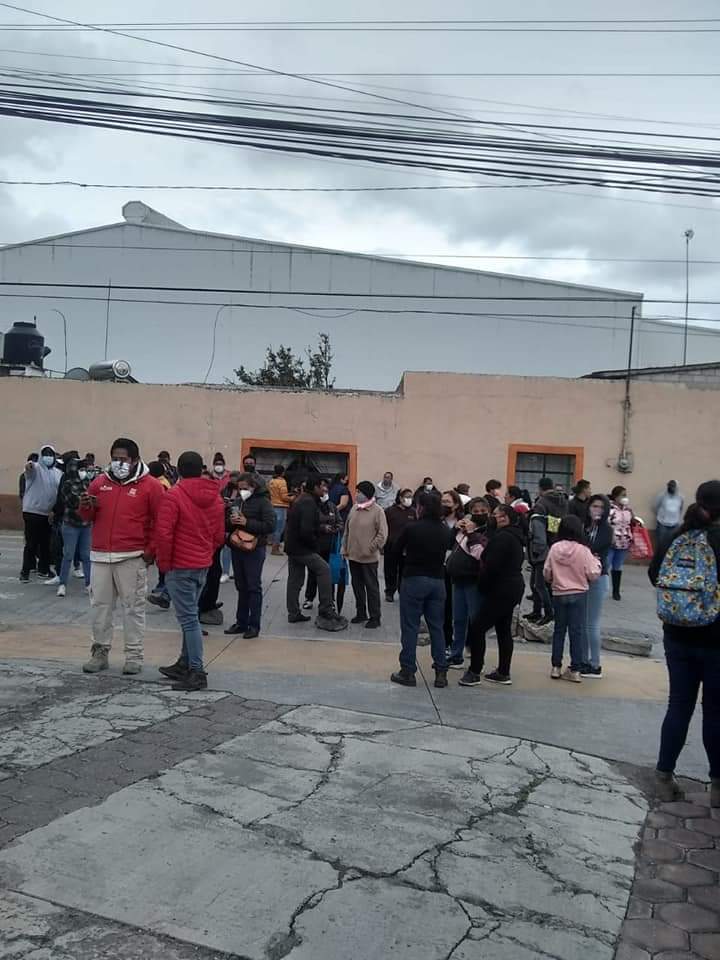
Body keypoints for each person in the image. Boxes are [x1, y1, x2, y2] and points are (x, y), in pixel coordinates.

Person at [649, 481, 720, 806]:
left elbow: (654, 574)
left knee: (679, 705)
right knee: (715, 711)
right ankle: (717, 785)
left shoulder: (679, 535)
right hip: (716, 636)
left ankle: (663, 776)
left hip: (676, 634)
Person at [80, 438, 164, 674]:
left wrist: (150, 551)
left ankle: (134, 656)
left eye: (123, 459)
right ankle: (100, 652)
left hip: (132, 557)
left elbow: (161, 521)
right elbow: (87, 517)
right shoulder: (98, 483)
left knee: (133, 609)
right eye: (115, 459)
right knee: (100, 607)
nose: (118, 463)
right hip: (100, 556)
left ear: (135, 459)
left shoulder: (151, 486)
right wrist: (86, 506)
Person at [155, 451, 225, 692]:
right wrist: (204, 553)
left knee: (189, 620)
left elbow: (164, 534)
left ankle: (196, 669)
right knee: (191, 615)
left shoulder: (174, 496)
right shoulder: (215, 498)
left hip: (179, 564)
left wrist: (164, 566)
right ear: (202, 468)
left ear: (179, 469)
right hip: (202, 564)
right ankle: (185, 663)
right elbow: (218, 536)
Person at [391, 492, 454, 689]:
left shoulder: (412, 528)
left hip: (414, 578)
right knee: (437, 626)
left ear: (421, 508)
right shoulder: (445, 530)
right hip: (437, 580)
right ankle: (441, 671)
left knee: (410, 627)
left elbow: (394, 550)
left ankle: (408, 670)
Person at [459, 504, 525, 686]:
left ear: (505, 518)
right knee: (503, 628)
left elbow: (491, 565)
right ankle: (503, 671)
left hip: (501, 588)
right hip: (512, 587)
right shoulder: (514, 536)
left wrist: (483, 585)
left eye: (495, 515)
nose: (491, 517)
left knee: (477, 627)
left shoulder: (503, 538)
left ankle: (474, 671)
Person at [285, 476, 348, 631]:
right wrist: (314, 546)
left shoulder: (302, 499)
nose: (325, 489)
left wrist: (319, 529)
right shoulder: (308, 502)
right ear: (315, 488)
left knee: (295, 579)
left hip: (293, 547)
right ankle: (326, 608)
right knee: (324, 569)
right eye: (322, 486)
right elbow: (306, 529)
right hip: (302, 548)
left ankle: (293, 612)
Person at [544, 515, 601, 683]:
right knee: (577, 631)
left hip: (559, 593)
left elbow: (547, 572)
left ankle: (556, 667)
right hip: (579, 593)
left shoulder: (554, 548)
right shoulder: (583, 550)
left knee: (559, 631)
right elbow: (593, 573)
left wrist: (553, 579)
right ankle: (575, 669)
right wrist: (597, 563)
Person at [223, 472, 275, 639]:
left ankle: (254, 625)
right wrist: (231, 521)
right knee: (241, 586)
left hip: (254, 549)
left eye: (245, 488)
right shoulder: (238, 502)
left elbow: (270, 525)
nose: (242, 491)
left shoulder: (263, 503)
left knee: (253, 587)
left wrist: (247, 523)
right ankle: (241, 622)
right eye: (240, 489)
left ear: (254, 487)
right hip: (237, 547)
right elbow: (227, 525)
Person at [446, 498, 490, 669]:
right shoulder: (465, 528)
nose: (478, 513)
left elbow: (479, 554)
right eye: (475, 510)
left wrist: (471, 533)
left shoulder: (487, 531)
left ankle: (477, 657)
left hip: (474, 581)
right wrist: (455, 529)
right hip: (458, 579)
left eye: (482, 510)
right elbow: (450, 543)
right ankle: (457, 655)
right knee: (458, 620)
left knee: (475, 622)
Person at [343, 481, 388, 628]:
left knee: (371, 588)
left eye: (359, 492)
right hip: (353, 556)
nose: (356, 494)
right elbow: (347, 530)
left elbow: (382, 534)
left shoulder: (377, 511)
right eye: (356, 492)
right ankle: (361, 613)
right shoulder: (354, 509)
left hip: (368, 558)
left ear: (367, 494)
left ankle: (375, 617)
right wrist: (345, 548)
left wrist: (371, 548)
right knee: (357, 586)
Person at [525, 477, 568, 625]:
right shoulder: (563, 502)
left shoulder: (541, 503)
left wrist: (538, 550)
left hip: (542, 549)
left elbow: (538, 529)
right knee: (540, 583)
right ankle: (537, 611)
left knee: (539, 584)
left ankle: (548, 613)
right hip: (558, 545)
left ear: (540, 488)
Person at [19, 445, 62, 583]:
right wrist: (30, 465)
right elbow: (28, 469)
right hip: (32, 511)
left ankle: (43, 569)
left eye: (51, 454)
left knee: (45, 544)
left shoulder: (57, 473)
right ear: (41, 455)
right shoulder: (36, 469)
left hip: (46, 513)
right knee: (31, 543)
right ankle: (25, 572)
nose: (48, 456)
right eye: (45, 454)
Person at [582, 495, 613, 679]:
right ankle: (584, 661)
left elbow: (593, 547)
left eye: (601, 507)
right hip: (581, 577)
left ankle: (595, 664)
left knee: (591, 623)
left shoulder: (606, 530)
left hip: (598, 578)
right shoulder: (584, 526)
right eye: (594, 506)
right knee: (582, 623)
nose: (597, 510)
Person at [56, 457, 92, 597]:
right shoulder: (67, 484)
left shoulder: (88, 482)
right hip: (71, 524)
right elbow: (72, 502)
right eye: (81, 468)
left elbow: (93, 501)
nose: (83, 471)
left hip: (86, 525)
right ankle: (62, 584)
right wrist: (85, 501)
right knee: (68, 554)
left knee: (86, 556)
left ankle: (89, 584)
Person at [303, 488, 341, 609]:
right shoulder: (313, 506)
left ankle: (330, 600)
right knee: (313, 572)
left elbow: (340, 522)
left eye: (326, 492)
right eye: (322, 492)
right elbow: (309, 524)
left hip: (330, 546)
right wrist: (322, 528)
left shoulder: (332, 506)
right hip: (316, 545)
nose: (325, 494)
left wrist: (335, 529)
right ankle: (309, 598)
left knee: (330, 573)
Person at [146, 461, 172, 609]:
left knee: (161, 558)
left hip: (159, 523)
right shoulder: (163, 482)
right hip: (160, 523)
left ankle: (164, 587)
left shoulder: (159, 485)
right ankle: (165, 592)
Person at [441, 490, 465, 650]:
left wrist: (456, 529)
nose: (443, 505)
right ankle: (445, 641)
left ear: (456, 505)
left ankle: (460, 643)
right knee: (443, 607)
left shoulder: (463, 522)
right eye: (442, 502)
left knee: (455, 608)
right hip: (439, 568)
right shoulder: (437, 521)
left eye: (447, 502)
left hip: (457, 569)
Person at [383, 489, 416, 601]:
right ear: (400, 498)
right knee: (390, 570)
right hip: (391, 546)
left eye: (411, 497)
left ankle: (403, 591)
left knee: (404, 571)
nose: (409, 499)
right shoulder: (389, 511)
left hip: (407, 547)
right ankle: (389, 591)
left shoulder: (413, 512)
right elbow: (383, 528)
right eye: (407, 496)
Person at [608, 485, 637, 601]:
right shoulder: (610, 509)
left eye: (626, 495)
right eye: (623, 495)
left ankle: (616, 591)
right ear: (616, 497)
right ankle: (600, 588)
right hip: (612, 541)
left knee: (618, 566)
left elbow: (631, 523)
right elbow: (606, 523)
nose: (625, 497)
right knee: (606, 564)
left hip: (624, 541)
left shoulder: (627, 510)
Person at [654, 480, 685, 555]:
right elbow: (655, 507)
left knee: (672, 544)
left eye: (673, 486)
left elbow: (680, 509)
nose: (671, 487)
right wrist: (661, 516)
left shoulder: (681, 497)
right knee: (660, 544)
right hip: (662, 524)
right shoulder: (661, 496)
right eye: (670, 486)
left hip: (674, 524)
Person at [268, 464, 292, 557]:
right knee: (279, 529)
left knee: (274, 528)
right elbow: (284, 496)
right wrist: (293, 498)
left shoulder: (271, 481)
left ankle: (271, 543)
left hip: (273, 505)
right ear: (283, 472)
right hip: (281, 507)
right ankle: (275, 548)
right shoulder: (282, 482)